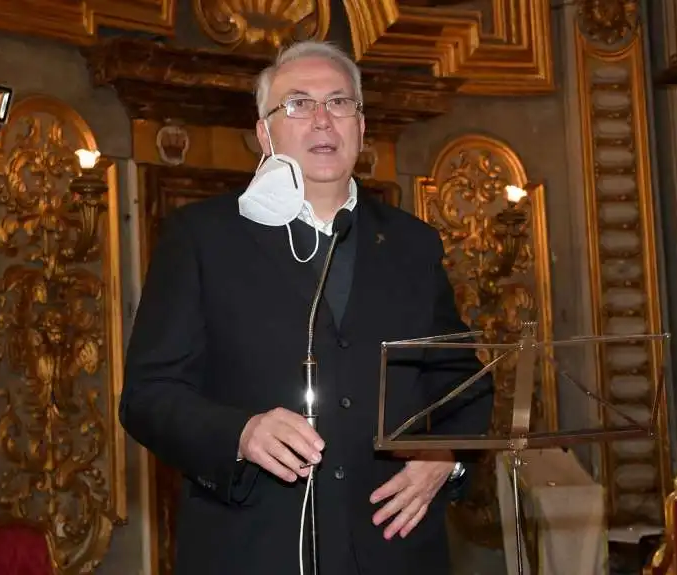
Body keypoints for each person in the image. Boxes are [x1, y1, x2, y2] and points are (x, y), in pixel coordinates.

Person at [120, 40, 494, 575]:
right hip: (253, 549)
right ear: (264, 133)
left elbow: (465, 382)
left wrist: (447, 458)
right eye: (297, 104)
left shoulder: (413, 245)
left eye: (340, 103)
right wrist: (240, 433)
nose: (323, 120)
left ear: (361, 130)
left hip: (395, 549)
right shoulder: (201, 238)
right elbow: (147, 396)